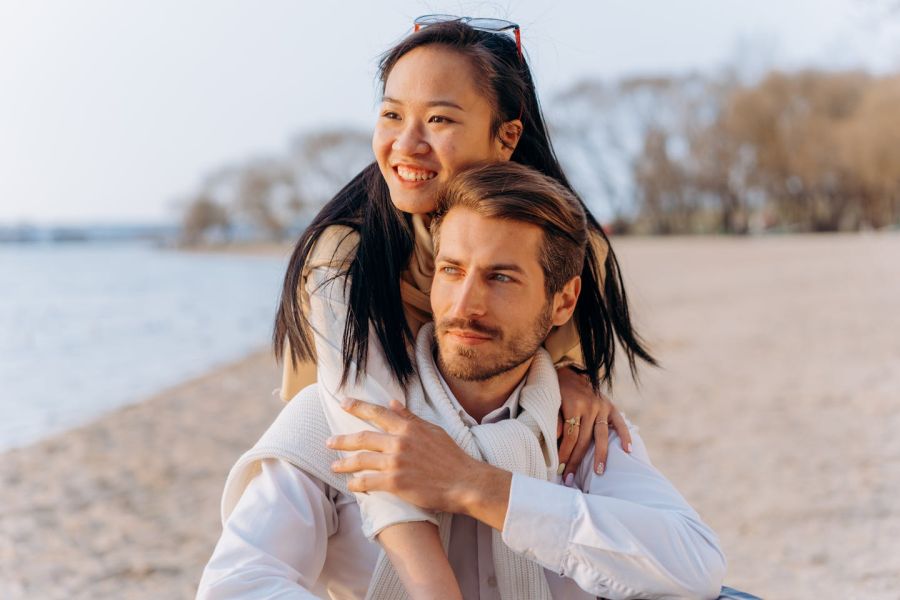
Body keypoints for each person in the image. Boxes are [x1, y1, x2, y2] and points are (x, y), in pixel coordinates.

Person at [197, 162, 727, 599]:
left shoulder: (576, 429)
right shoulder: (336, 420)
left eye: (500, 277)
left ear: (563, 300)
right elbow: (236, 584)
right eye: (451, 271)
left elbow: (696, 566)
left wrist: (475, 486)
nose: (465, 305)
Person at [270, 16, 657, 599]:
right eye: (393, 114)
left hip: (491, 488)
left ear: (506, 137)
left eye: (440, 119)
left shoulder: (569, 244)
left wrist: (568, 377)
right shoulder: (343, 258)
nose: (406, 144)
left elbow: (542, 358)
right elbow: (370, 435)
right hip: (352, 490)